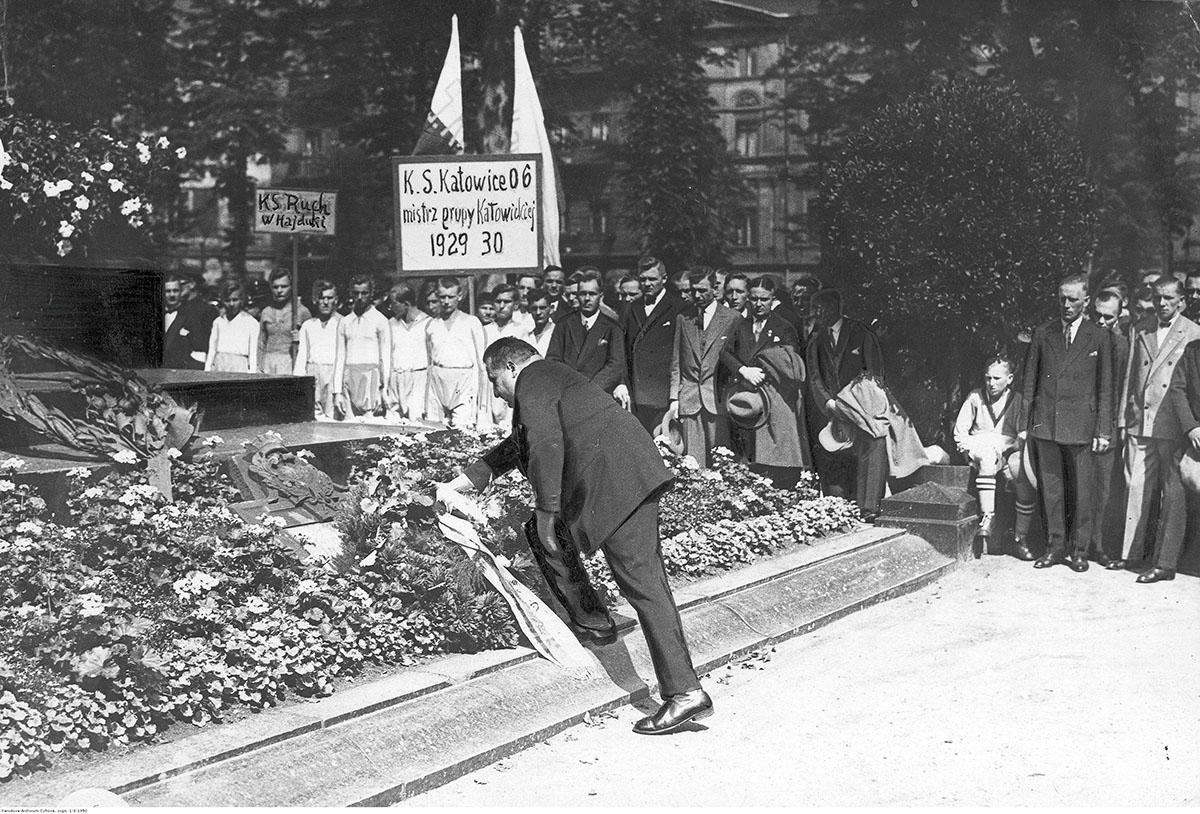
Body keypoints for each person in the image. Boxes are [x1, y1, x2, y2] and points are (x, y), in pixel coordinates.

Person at [435, 338, 712, 735]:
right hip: (624, 476)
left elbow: (546, 441)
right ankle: (594, 620)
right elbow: (522, 443)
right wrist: (464, 482)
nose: (495, 392)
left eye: (494, 380)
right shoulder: (549, 376)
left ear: (510, 368)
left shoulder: (532, 379)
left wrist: (548, 509)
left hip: (618, 483)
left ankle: (685, 693)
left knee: (643, 585)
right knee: (547, 536)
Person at [1020, 273, 1113, 572]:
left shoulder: (1098, 336)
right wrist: (1026, 424)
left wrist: (1103, 429)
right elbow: (1029, 381)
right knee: (1052, 489)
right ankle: (1055, 547)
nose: (1066, 304)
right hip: (1046, 423)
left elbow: (1106, 387)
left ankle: (1080, 551)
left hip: (1082, 426)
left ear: (1086, 301)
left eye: (1073, 299)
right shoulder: (1043, 333)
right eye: (1062, 298)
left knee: (1083, 492)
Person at [1115, 276, 1200, 581]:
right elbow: (1129, 376)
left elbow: (1185, 385)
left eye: (1168, 299)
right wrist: (1124, 417)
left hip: (1173, 425)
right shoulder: (1142, 327)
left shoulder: (1192, 332)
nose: (1162, 304)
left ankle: (1163, 560)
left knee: (1171, 493)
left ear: (1182, 301)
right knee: (1136, 487)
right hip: (1142, 418)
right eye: (1157, 298)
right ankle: (1132, 554)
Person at [806, 289, 886, 518]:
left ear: (836, 308)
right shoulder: (816, 339)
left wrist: (861, 405)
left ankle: (869, 507)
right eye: (815, 308)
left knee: (870, 446)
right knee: (834, 454)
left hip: (861, 408)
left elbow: (874, 374)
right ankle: (837, 507)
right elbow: (814, 376)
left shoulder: (861, 333)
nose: (817, 313)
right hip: (831, 409)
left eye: (822, 308)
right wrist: (828, 403)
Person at [725, 276, 810, 488]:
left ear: (773, 299)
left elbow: (792, 365)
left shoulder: (785, 327)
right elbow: (725, 353)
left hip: (776, 400)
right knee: (748, 455)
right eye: (753, 299)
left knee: (776, 455)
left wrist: (765, 367)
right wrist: (743, 370)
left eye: (764, 299)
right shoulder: (740, 325)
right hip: (747, 398)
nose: (758, 304)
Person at [953, 357, 1036, 556]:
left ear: (1010, 379)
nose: (991, 383)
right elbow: (960, 431)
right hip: (979, 447)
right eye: (988, 378)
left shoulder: (1017, 400)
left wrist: (1009, 454)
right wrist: (966, 451)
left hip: (1005, 449)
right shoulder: (975, 397)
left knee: (1022, 479)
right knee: (988, 458)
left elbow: (1020, 436)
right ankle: (987, 518)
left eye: (997, 378)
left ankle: (1019, 536)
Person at [667, 267, 743, 467]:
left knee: (721, 461)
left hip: (717, 400)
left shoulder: (732, 318)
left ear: (715, 288)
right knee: (693, 462)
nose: (697, 295)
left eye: (702, 290)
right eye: (694, 290)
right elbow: (677, 361)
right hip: (689, 400)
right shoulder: (684, 319)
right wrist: (674, 399)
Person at [621, 256, 688, 434]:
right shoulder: (632, 307)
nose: (647, 283)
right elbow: (624, 348)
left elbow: (681, 353)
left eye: (652, 279)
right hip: (637, 392)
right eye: (643, 279)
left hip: (662, 392)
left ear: (664, 279)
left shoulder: (677, 307)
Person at [1087, 290, 1130, 564]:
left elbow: (1120, 389)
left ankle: (1099, 545)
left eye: (1108, 317)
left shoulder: (1123, 346)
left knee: (1103, 488)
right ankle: (1075, 544)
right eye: (1097, 315)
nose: (1102, 322)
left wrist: (1110, 428)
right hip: (1078, 424)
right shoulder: (1080, 339)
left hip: (1108, 426)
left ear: (1118, 317)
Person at [546, 268, 627, 402]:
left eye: (592, 294)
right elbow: (553, 360)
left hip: (598, 396)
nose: (587, 298)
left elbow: (615, 365)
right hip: (567, 395)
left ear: (601, 296)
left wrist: (590, 389)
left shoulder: (612, 328)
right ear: (577, 295)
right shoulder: (564, 325)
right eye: (583, 294)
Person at [425, 276, 487, 428]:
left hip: (463, 381)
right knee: (434, 428)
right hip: (438, 380)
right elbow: (429, 361)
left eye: (451, 297)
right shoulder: (432, 324)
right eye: (442, 297)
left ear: (459, 296)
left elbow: (481, 362)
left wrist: (480, 395)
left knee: (462, 428)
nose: (446, 301)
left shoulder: (472, 322)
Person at [334, 275, 392, 419]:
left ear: (371, 294)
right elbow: (340, 357)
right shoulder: (345, 322)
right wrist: (337, 392)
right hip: (349, 377)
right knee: (349, 426)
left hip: (371, 376)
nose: (359, 297)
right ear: (351, 293)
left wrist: (384, 389)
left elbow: (385, 356)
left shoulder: (380, 320)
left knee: (369, 424)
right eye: (356, 293)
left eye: (364, 293)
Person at [483, 284, 533, 427]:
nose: (502, 306)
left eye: (507, 302)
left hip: (512, 383)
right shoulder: (485, 330)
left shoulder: (521, 330)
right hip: (490, 384)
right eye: (498, 301)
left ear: (516, 305)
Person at [294, 279, 343, 420]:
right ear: (315, 300)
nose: (325, 302)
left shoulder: (342, 322)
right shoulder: (308, 325)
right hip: (313, 373)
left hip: (333, 373)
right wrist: (299, 381)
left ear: (336, 300)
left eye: (329, 298)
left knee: (333, 416)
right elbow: (302, 355)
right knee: (314, 415)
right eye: (321, 298)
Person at [386, 282, 430, 422]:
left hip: (418, 378)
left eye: (393, 303)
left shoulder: (428, 323)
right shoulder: (390, 324)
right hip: (396, 378)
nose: (390, 307)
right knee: (393, 421)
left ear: (406, 304)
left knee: (416, 420)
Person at [257, 269, 311, 375]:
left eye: (284, 286)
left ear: (291, 287)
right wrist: (259, 366)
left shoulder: (301, 311)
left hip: (290, 362)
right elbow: (261, 342)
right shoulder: (266, 312)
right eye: (275, 287)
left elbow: (311, 342)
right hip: (268, 362)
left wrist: (300, 339)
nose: (279, 290)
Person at [162, 272, 216, 370]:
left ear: (180, 292)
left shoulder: (190, 314)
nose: (172, 295)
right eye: (168, 291)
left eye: (175, 290)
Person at [205, 279, 259, 373]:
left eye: (235, 300)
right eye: (227, 300)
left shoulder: (251, 323)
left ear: (242, 300)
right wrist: (207, 370)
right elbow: (212, 349)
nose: (231, 304)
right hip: (219, 365)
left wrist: (252, 373)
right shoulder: (218, 322)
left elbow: (253, 352)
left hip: (240, 366)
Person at [525, 288, 557, 357]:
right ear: (529, 310)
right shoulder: (526, 336)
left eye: (542, 308)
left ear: (551, 309)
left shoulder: (557, 333)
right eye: (534, 308)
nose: (538, 312)